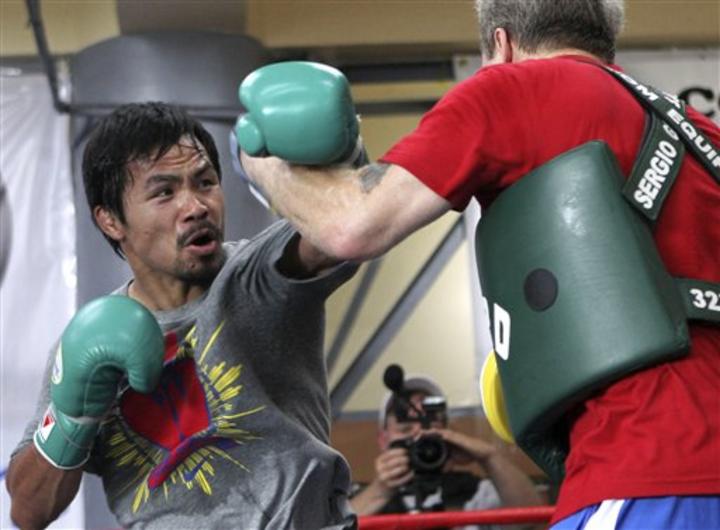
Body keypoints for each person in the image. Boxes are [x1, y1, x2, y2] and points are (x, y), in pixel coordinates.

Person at [238, 1, 720, 528]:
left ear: (502, 43)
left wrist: (262, 165)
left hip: (647, 469)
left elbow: (352, 225)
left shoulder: (513, 88)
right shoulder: (699, 132)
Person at [6, 102, 358, 529]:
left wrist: (344, 158)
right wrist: (72, 418)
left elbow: (345, 229)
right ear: (111, 220)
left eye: (205, 182)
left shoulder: (261, 274)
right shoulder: (89, 341)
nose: (196, 206)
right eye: (164, 192)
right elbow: (28, 511)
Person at [351, 374, 542, 530]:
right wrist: (380, 491)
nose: (419, 437)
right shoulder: (359, 500)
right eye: (406, 430)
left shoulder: (475, 492)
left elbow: (531, 520)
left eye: (430, 429)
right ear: (383, 439)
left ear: (447, 434)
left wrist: (488, 457)